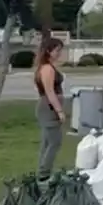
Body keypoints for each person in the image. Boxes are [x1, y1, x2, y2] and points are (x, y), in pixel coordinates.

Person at [33, 38, 67, 179]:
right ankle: (44, 173)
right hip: (49, 108)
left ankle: (43, 170)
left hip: (48, 106)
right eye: (57, 50)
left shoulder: (48, 67)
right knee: (54, 141)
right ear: (48, 51)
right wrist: (59, 111)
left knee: (47, 141)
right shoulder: (47, 68)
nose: (59, 53)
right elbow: (49, 91)